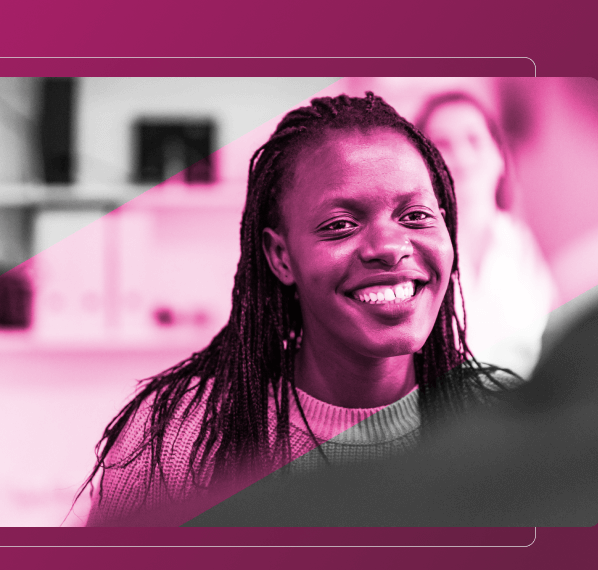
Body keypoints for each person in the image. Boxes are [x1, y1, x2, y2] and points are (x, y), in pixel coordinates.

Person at [80, 93, 515, 527]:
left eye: (416, 216)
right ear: (281, 257)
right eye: (340, 225)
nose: (389, 247)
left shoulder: (510, 431)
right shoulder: (179, 439)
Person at [416, 92, 557, 378]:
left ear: (500, 156)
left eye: (474, 139)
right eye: (442, 144)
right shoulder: (413, 253)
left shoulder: (531, 244)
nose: (461, 156)